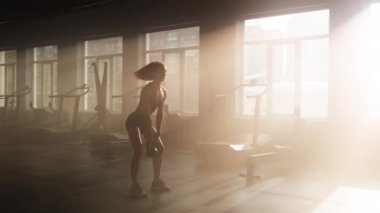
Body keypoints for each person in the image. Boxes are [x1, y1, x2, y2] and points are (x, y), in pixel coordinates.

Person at [126, 62, 171, 199]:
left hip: (146, 121)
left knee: (160, 148)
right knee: (138, 151)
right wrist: (150, 137)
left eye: (165, 71)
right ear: (156, 73)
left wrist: (157, 131)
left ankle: (156, 182)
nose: (165, 73)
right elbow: (145, 114)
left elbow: (159, 113)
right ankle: (134, 187)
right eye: (163, 71)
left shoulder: (163, 91)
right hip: (135, 120)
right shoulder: (147, 90)